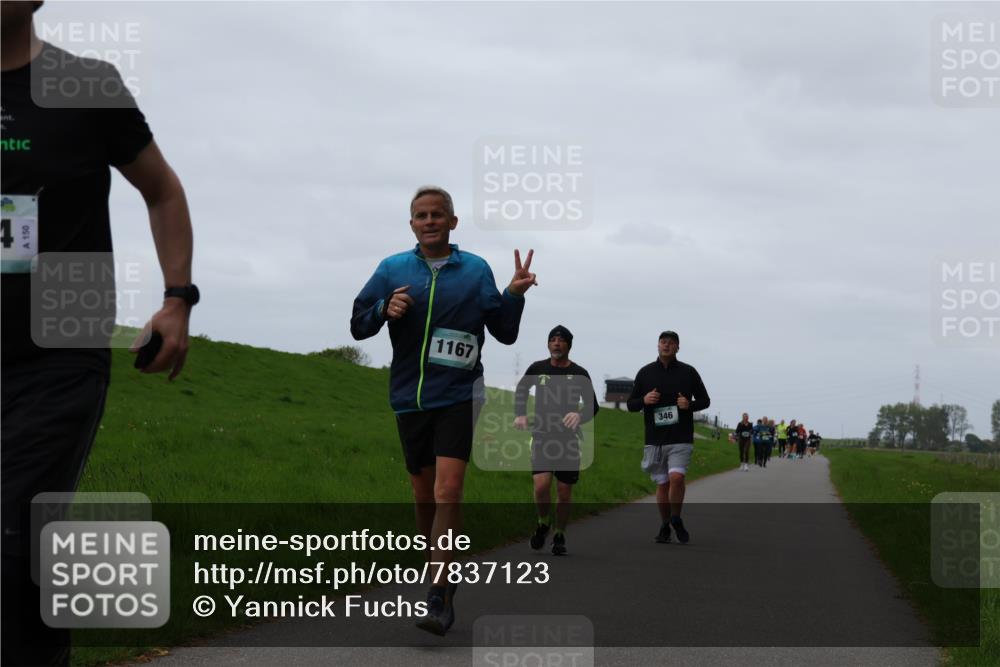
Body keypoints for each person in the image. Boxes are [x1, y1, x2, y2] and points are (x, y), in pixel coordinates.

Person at [1, 4, 197, 664]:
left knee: (12, 532)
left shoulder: (86, 86)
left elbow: (163, 191)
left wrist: (177, 298)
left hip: (58, 353)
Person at [351, 185, 536, 636]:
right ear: (411, 223)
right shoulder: (392, 268)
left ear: (453, 223)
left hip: (460, 393)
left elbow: (505, 333)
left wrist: (513, 294)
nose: (430, 220)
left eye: (438, 214)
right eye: (421, 215)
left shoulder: (474, 270)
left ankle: (438, 593)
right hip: (410, 398)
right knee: (423, 497)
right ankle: (440, 566)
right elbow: (358, 324)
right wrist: (383, 308)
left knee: (447, 492)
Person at [513, 325, 598, 556]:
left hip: (568, 440)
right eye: (552, 340)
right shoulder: (537, 368)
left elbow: (593, 405)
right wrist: (519, 413)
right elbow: (521, 390)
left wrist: (579, 415)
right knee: (541, 486)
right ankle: (543, 522)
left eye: (561, 340)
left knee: (564, 492)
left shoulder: (580, 373)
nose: (556, 343)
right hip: (541, 436)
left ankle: (559, 534)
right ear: (548, 344)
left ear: (569, 345)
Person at [626, 331, 711, 544]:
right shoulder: (645, 373)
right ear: (657, 345)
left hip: (680, 436)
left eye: (671, 343)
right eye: (663, 342)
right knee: (663, 484)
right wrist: (644, 400)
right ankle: (665, 524)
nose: (666, 346)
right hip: (654, 438)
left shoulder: (688, 372)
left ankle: (676, 518)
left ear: (677, 348)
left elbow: (705, 400)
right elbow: (631, 404)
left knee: (677, 478)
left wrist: (689, 405)